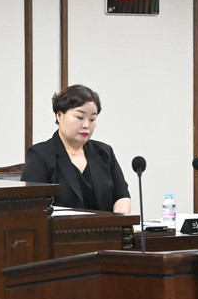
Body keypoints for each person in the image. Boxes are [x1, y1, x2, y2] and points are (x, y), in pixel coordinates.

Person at [20, 84, 131, 214]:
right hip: (60, 226)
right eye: (79, 117)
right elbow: (32, 206)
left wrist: (119, 218)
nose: (86, 125)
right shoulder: (40, 154)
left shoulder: (104, 152)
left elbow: (122, 196)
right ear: (59, 116)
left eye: (92, 119)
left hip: (105, 226)